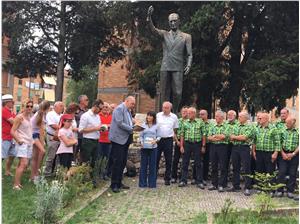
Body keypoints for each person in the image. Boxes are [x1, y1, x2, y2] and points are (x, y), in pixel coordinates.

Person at [147, 5, 192, 113]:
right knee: (164, 93)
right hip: (166, 66)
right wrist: (149, 17)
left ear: (179, 21)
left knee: (177, 92)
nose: (172, 23)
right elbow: (153, 30)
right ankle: (164, 113)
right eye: (170, 21)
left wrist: (189, 64)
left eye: (175, 21)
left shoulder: (186, 36)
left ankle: (174, 111)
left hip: (178, 66)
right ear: (168, 22)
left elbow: (189, 54)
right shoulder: (164, 34)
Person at [109, 96, 136, 193]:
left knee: (123, 161)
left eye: (134, 104)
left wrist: (133, 125)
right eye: (132, 103)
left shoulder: (128, 110)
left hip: (125, 139)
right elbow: (120, 123)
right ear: (127, 101)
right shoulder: (119, 109)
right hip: (118, 139)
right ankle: (114, 184)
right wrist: (131, 128)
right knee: (117, 162)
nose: (133, 105)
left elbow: (127, 122)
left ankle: (119, 182)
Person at [179, 107, 206, 189]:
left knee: (198, 163)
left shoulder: (200, 122)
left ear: (194, 114)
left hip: (197, 144)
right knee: (185, 163)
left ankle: (199, 181)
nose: (188, 114)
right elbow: (182, 135)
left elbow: (204, 134)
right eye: (188, 113)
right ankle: (183, 180)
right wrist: (181, 146)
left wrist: (203, 146)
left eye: (190, 113)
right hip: (187, 144)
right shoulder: (185, 122)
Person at [228, 111, 254, 196]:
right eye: (238, 116)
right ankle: (236, 186)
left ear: (246, 118)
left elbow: (245, 137)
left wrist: (236, 137)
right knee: (235, 167)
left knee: (246, 168)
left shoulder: (250, 126)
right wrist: (238, 137)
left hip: (244, 148)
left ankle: (247, 187)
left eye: (240, 117)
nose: (238, 118)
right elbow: (230, 137)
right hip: (235, 148)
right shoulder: (236, 125)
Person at [79, 99, 104, 186]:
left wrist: (101, 128)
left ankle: (93, 179)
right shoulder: (85, 116)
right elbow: (81, 130)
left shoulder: (97, 116)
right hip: (88, 141)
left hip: (96, 140)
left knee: (95, 161)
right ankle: (82, 179)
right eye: (100, 109)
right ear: (95, 106)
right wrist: (95, 129)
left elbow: (98, 127)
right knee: (85, 160)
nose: (100, 111)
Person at [10, 99, 33, 190]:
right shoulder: (20, 117)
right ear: (24, 106)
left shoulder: (29, 117)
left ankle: (17, 183)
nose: (29, 108)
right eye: (27, 106)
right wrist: (19, 140)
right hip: (22, 143)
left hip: (28, 143)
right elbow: (12, 131)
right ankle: (15, 185)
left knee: (22, 164)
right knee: (24, 163)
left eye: (31, 106)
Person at [156, 101, 179, 185]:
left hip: (168, 140)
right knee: (156, 158)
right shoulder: (158, 115)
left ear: (170, 108)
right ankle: (154, 177)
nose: (164, 109)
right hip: (158, 140)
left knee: (168, 160)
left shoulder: (174, 117)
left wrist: (174, 138)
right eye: (163, 107)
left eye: (166, 108)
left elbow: (175, 129)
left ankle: (167, 179)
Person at [276, 116, 299, 199]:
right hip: (283, 154)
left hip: (294, 155)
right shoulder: (282, 131)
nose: (286, 124)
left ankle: (290, 191)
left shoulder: (298, 131)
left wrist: (293, 154)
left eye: (288, 123)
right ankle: (280, 190)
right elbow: (279, 143)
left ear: (293, 123)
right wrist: (283, 154)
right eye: (286, 123)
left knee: (293, 173)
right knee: (282, 172)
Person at [207, 111, 229, 192]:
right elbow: (208, 137)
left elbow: (224, 136)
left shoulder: (226, 126)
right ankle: (214, 184)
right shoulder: (212, 126)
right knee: (213, 166)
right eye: (215, 116)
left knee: (223, 166)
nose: (216, 118)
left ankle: (221, 184)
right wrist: (217, 137)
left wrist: (215, 135)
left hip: (222, 147)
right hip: (213, 147)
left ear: (222, 117)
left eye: (217, 116)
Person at [30, 100, 51, 181]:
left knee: (35, 156)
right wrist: (42, 143)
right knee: (42, 151)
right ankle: (37, 172)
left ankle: (33, 176)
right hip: (34, 135)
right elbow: (41, 131)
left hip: (35, 134)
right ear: (48, 108)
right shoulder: (41, 114)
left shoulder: (41, 113)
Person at [139, 111, 160, 188]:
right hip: (144, 147)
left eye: (151, 116)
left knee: (152, 165)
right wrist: (141, 142)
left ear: (153, 117)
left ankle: (152, 184)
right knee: (143, 165)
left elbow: (159, 136)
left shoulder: (157, 126)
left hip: (153, 148)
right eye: (148, 115)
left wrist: (155, 141)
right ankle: (142, 183)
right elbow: (141, 136)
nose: (149, 117)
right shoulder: (143, 125)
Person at [44, 101, 64, 177]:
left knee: (58, 156)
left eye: (62, 106)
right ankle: (47, 172)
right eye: (61, 106)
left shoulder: (62, 115)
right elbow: (52, 125)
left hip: (60, 137)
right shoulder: (50, 114)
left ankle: (55, 172)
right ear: (55, 107)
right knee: (51, 155)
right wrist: (64, 128)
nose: (62, 107)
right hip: (52, 136)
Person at [171, 106, 188, 183]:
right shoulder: (178, 121)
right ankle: (174, 177)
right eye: (183, 112)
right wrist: (177, 141)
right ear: (181, 112)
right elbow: (174, 132)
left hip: (187, 144)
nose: (185, 113)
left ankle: (183, 178)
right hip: (178, 143)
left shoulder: (190, 121)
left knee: (185, 161)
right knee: (175, 160)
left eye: (186, 112)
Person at [2, 94, 17, 177]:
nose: (13, 103)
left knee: (12, 155)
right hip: (5, 137)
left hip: (11, 137)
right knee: (2, 156)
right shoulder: (4, 110)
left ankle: (7, 171)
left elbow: (17, 120)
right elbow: (14, 122)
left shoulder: (10, 111)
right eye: (12, 101)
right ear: (6, 102)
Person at [98, 102, 112, 180]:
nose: (105, 108)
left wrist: (107, 126)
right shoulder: (98, 116)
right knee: (100, 158)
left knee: (107, 158)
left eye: (107, 107)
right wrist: (106, 125)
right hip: (100, 140)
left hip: (109, 140)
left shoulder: (111, 117)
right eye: (103, 107)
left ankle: (105, 174)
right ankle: (99, 173)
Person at [198, 109, 213, 185]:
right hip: (198, 143)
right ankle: (196, 178)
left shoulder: (211, 123)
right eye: (200, 114)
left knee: (206, 161)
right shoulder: (197, 123)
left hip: (209, 144)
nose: (201, 116)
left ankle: (204, 178)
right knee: (198, 161)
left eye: (202, 114)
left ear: (207, 115)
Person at [224, 110, 238, 188]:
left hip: (235, 145)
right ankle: (224, 183)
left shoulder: (238, 124)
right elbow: (223, 133)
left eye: (231, 115)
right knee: (224, 164)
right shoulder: (225, 123)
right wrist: (230, 136)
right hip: (226, 145)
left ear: (235, 116)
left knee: (235, 164)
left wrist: (232, 136)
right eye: (228, 114)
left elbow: (238, 134)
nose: (229, 116)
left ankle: (235, 184)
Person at [75, 95, 89, 164]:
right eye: (86, 100)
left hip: (85, 136)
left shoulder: (88, 111)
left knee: (83, 155)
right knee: (74, 153)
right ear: (81, 101)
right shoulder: (75, 109)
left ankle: (80, 169)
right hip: (76, 135)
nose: (88, 101)